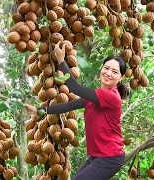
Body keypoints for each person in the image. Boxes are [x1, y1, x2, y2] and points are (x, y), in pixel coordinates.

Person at [24, 41, 129, 179]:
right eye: (106, 68)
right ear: (101, 68)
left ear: (121, 77)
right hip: (98, 155)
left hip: (110, 157)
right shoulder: (97, 95)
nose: (108, 73)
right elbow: (68, 106)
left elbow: (75, 88)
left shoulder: (110, 96)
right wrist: (38, 111)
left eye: (114, 72)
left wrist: (61, 60)